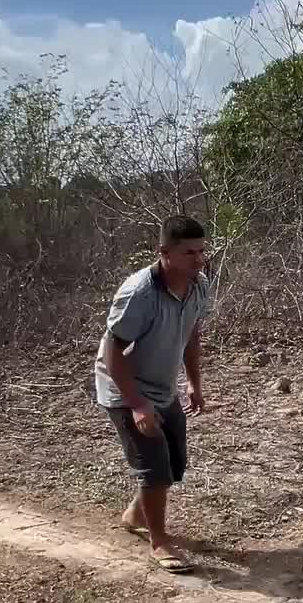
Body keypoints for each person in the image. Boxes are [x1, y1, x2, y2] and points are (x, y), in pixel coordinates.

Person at [94, 214, 214, 570]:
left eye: (202, 251)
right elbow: (113, 353)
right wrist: (137, 405)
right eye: (190, 252)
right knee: (154, 466)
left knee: (174, 463)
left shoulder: (198, 285)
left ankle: (135, 514)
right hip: (124, 387)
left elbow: (191, 333)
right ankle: (159, 543)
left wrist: (194, 382)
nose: (199, 259)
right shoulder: (139, 293)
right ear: (164, 252)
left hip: (162, 387)